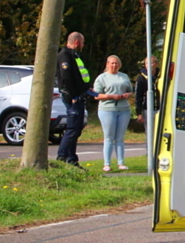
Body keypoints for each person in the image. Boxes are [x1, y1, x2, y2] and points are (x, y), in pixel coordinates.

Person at [56, 32, 94, 167]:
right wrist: (73, 96)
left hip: (79, 95)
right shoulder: (65, 55)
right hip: (73, 97)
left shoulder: (74, 55)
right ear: (77, 42)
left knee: (77, 128)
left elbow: (78, 76)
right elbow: (66, 77)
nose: (83, 45)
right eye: (82, 43)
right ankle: (62, 157)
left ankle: (72, 159)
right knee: (72, 129)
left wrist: (86, 88)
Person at [93, 55, 134, 171]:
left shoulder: (124, 76)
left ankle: (121, 163)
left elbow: (130, 91)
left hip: (124, 109)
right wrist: (111, 96)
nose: (114, 65)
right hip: (107, 109)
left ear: (119, 65)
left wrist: (127, 95)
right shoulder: (102, 78)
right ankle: (107, 164)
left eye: (116, 63)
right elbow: (96, 95)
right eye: (112, 63)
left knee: (120, 138)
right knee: (109, 137)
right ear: (107, 64)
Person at [135, 56, 159, 125]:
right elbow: (138, 96)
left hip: (161, 108)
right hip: (148, 109)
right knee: (150, 132)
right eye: (147, 63)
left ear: (156, 64)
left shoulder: (162, 76)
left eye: (151, 63)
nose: (149, 65)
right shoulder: (141, 78)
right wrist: (139, 113)